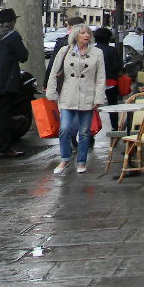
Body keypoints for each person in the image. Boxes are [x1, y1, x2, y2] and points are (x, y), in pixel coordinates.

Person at [46, 23, 106, 175]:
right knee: (65, 128)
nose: (86, 35)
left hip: (87, 95)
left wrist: (99, 97)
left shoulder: (97, 53)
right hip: (68, 94)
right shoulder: (64, 50)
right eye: (83, 33)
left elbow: (100, 77)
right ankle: (65, 158)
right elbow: (54, 72)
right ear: (75, 35)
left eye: (88, 33)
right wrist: (52, 92)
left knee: (85, 132)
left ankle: (81, 161)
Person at [0, 8, 29, 158]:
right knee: (4, 116)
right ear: (11, 22)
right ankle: (4, 148)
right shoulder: (12, 36)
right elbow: (23, 56)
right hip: (6, 82)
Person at [93, 27, 124, 130]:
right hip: (111, 81)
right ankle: (115, 127)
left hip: (95, 82)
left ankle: (92, 129)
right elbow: (118, 66)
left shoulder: (92, 51)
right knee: (112, 105)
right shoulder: (112, 51)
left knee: (92, 107)